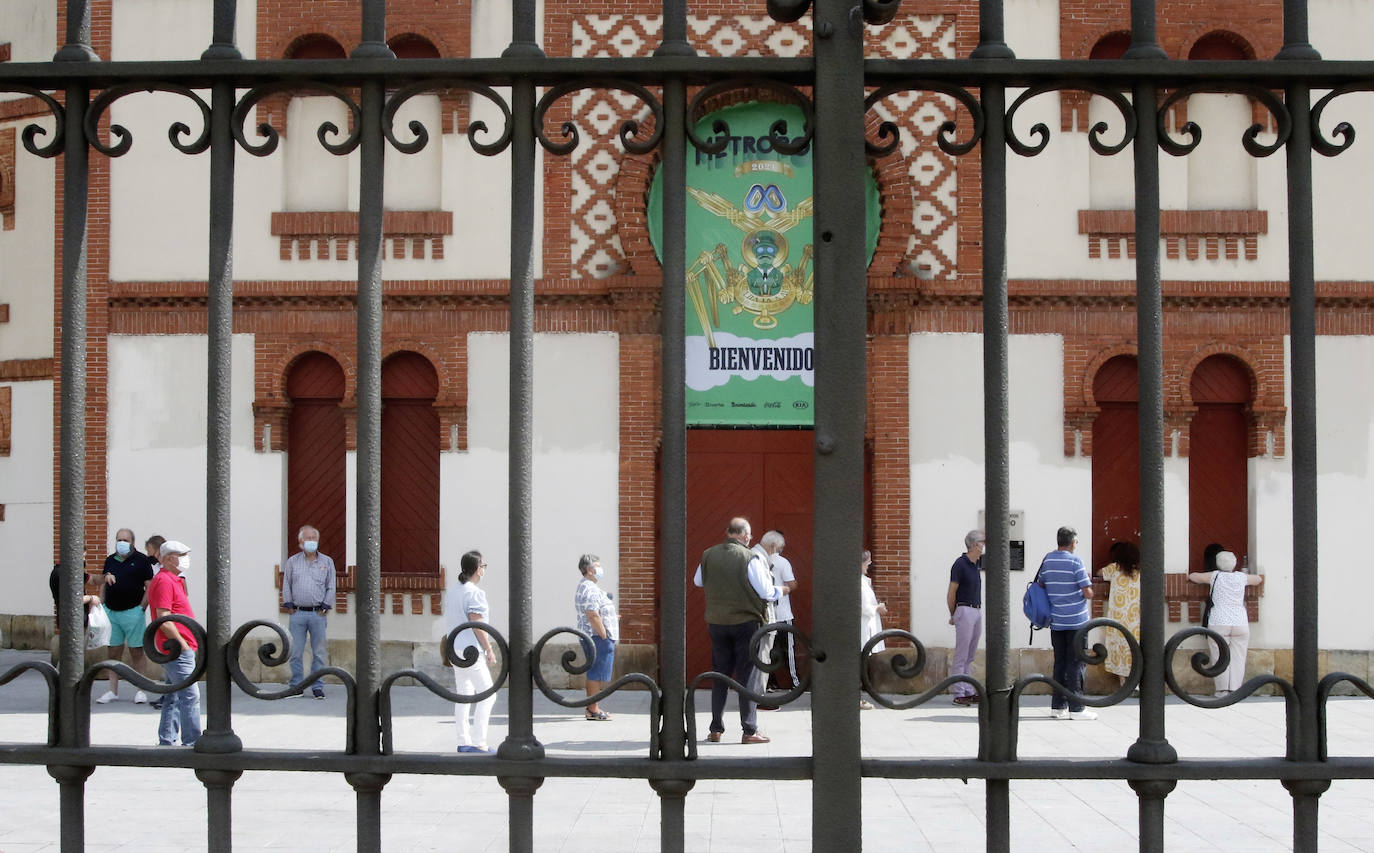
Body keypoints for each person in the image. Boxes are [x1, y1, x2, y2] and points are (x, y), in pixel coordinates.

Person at [693, 517, 779, 744]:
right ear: (745, 535)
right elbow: (766, 592)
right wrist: (781, 590)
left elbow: (698, 581)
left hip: (717, 623)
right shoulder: (750, 557)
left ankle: (715, 729)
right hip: (745, 623)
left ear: (727, 531)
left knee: (720, 675)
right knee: (747, 676)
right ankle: (749, 730)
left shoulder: (708, 554)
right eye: (750, 535)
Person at [1040, 526, 1096, 720]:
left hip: (1056, 621)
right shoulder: (1075, 561)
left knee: (1060, 663)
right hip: (1076, 621)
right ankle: (1077, 707)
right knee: (1076, 663)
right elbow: (1087, 592)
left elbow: (1042, 584)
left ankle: (1058, 706)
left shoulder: (1048, 560)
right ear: (1072, 542)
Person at [148, 540, 201, 746]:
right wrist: (182, 644)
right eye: (182, 555)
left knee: (173, 696)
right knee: (189, 696)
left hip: (179, 647)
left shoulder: (173, 579)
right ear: (170, 558)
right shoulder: (164, 581)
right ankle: (192, 741)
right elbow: (164, 619)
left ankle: (167, 740)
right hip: (176, 649)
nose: (186, 560)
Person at [1189, 550, 1261, 696]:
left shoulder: (1215, 576)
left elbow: (1193, 577)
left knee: (1219, 656)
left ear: (1217, 563)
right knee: (1238, 657)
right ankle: (1235, 690)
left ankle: (1222, 690)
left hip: (1219, 620)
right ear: (1234, 563)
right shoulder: (1241, 577)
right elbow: (1258, 579)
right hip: (1240, 621)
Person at [446, 550, 497, 754]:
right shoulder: (475, 593)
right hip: (471, 650)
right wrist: (489, 649)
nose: (484, 570)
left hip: (455, 648)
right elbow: (477, 624)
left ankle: (464, 740)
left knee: (464, 694)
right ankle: (479, 741)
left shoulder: (454, 590)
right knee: (488, 695)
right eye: (483, 566)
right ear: (477, 569)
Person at [96, 528, 155, 705]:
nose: (121, 543)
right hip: (111, 612)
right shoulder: (110, 560)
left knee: (137, 651)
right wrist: (101, 605)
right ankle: (112, 690)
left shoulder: (142, 561)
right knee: (113, 651)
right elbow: (103, 584)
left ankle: (140, 690)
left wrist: (141, 608)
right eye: (119, 539)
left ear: (132, 542)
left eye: (125, 540)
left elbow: (149, 586)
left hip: (133, 612)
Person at [280, 525, 336, 700]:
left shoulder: (327, 562)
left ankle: (317, 686)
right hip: (298, 614)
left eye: (314, 538)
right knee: (295, 651)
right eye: (307, 538)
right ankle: (296, 686)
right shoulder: (292, 562)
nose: (311, 541)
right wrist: (289, 604)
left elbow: (331, 585)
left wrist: (326, 604)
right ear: (300, 542)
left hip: (317, 614)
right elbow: (286, 584)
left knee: (319, 652)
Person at [574, 553, 617, 721]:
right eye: (597, 566)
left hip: (595, 636)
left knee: (596, 672)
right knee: (596, 673)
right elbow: (592, 613)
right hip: (596, 637)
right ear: (589, 570)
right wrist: (604, 634)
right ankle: (593, 709)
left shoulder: (587, 586)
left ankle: (593, 707)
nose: (600, 569)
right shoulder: (590, 588)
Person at [946, 530, 985, 706]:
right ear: (975, 545)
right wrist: (953, 613)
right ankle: (959, 692)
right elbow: (951, 592)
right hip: (964, 609)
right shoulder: (960, 564)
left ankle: (968, 689)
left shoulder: (976, 564)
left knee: (970, 654)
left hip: (976, 610)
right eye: (983, 542)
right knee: (962, 654)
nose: (984, 545)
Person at [1099, 541, 1142, 687]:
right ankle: (1136, 683)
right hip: (1135, 617)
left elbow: (1099, 573)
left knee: (1119, 648)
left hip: (1118, 617)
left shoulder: (1115, 568)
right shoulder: (1141, 570)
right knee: (1134, 648)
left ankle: (1123, 682)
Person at [761, 531, 799, 691]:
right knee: (788, 649)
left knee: (765, 650)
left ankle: (768, 682)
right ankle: (794, 682)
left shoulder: (759, 560)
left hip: (765, 614)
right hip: (783, 613)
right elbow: (791, 584)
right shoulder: (783, 562)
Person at [859, 550, 887, 710]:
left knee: (862, 662)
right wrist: (878, 607)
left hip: (865, 627)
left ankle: (858, 697)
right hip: (862, 628)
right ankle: (857, 698)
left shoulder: (863, 581)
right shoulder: (859, 582)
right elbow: (863, 607)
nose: (869, 566)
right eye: (867, 562)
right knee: (859, 664)